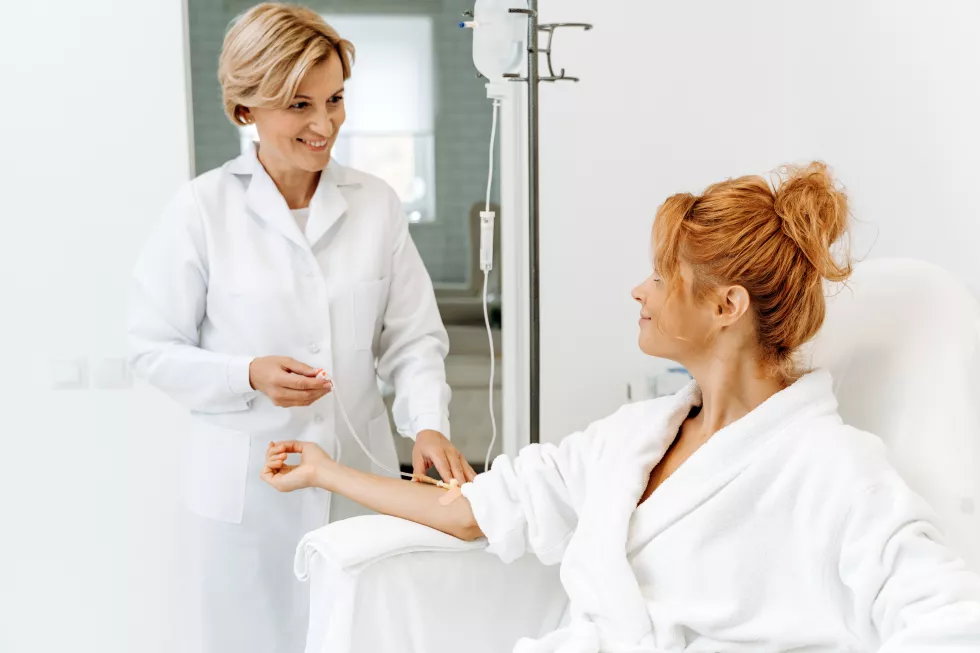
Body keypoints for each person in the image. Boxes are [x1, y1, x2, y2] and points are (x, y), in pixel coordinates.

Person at [262, 162, 980, 651]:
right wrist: (326, 471)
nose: (640, 290)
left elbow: (949, 619)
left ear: (727, 306)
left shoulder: (832, 468)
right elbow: (470, 507)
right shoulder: (636, 435)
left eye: (664, 276)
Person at [128, 4, 474, 652]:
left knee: (361, 635)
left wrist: (426, 421)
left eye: (336, 98)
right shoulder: (202, 209)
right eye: (298, 105)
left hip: (354, 475)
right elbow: (152, 349)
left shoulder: (375, 204)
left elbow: (413, 337)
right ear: (246, 110)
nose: (325, 124)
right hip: (244, 499)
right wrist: (247, 373)